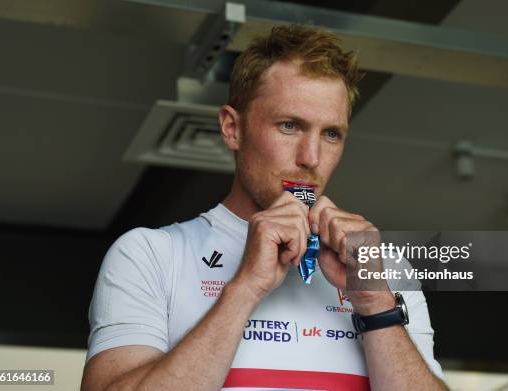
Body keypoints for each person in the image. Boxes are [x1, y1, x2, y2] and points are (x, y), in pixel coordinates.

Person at [81, 24, 448, 391]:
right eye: (289, 126)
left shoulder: (384, 269)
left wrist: (376, 304)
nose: (311, 158)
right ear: (231, 128)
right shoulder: (150, 255)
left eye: (331, 134)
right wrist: (245, 289)